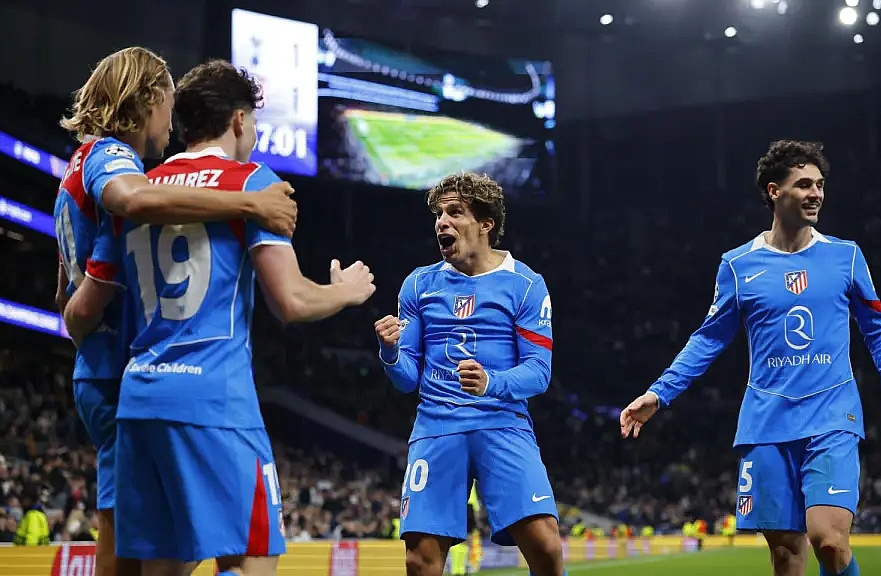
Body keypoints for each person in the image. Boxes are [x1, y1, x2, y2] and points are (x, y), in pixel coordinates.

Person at [113, 59, 375, 576]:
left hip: (140, 398)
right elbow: (291, 302)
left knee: (162, 569)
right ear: (238, 120)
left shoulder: (146, 188)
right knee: (252, 558)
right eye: (253, 122)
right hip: (214, 398)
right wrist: (343, 292)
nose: (253, 134)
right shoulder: (252, 185)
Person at [619, 140, 881, 576]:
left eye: (820, 184)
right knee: (785, 555)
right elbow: (708, 339)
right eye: (805, 184)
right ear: (774, 191)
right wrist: (658, 394)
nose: (816, 193)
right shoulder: (738, 265)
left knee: (829, 540)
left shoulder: (846, 256)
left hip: (832, 414)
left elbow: (878, 330)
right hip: (766, 422)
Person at [56, 47, 298, 576]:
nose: (172, 122)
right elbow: (136, 201)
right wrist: (250, 202)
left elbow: (68, 306)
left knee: (148, 554)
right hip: (130, 373)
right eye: (168, 102)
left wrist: (87, 313)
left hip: (108, 372)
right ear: (147, 100)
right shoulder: (110, 156)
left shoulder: (73, 171)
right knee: (135, 557)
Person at [374, 172, 564, 576]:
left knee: (546, 546)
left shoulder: (526, 285)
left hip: (503, 424)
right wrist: (389, 351)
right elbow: (407, 378)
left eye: (455, 212)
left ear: (485, 224)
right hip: (437, 426)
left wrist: (491, 382)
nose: (442, 222)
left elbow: (539, 372)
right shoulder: (419, 284)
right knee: (420, 561)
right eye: (438, 215)